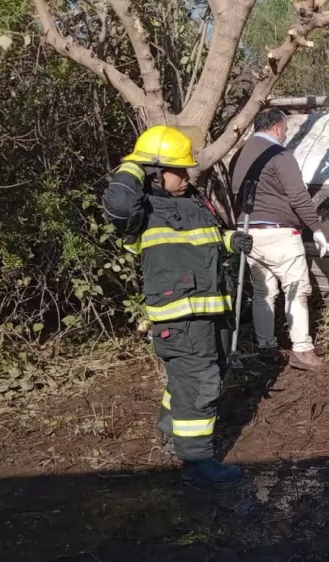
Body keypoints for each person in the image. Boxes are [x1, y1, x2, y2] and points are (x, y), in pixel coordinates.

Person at [102, 125, 250, 486]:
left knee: (194, 377)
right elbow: (119, 205)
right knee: (199, 383)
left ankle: (170, 431)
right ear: (154, 173)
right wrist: (137, 163)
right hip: (180, 317)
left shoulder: (191, 201)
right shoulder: (143, 212)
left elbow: (206, 240)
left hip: (211, 311)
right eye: (178, 170)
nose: (186, 176)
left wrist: (232, 241)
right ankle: (197, 461)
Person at [229, 108, 329, 370]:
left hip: (248, 233)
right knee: (297, 290)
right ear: (275, 127)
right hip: (280, 234)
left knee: (263, 294)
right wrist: (317, 229)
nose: (285, 134)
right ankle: (303, 350)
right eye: (285, 129)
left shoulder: (237, 155)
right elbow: (297, 196)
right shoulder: (279, 155)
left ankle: (266, 346)